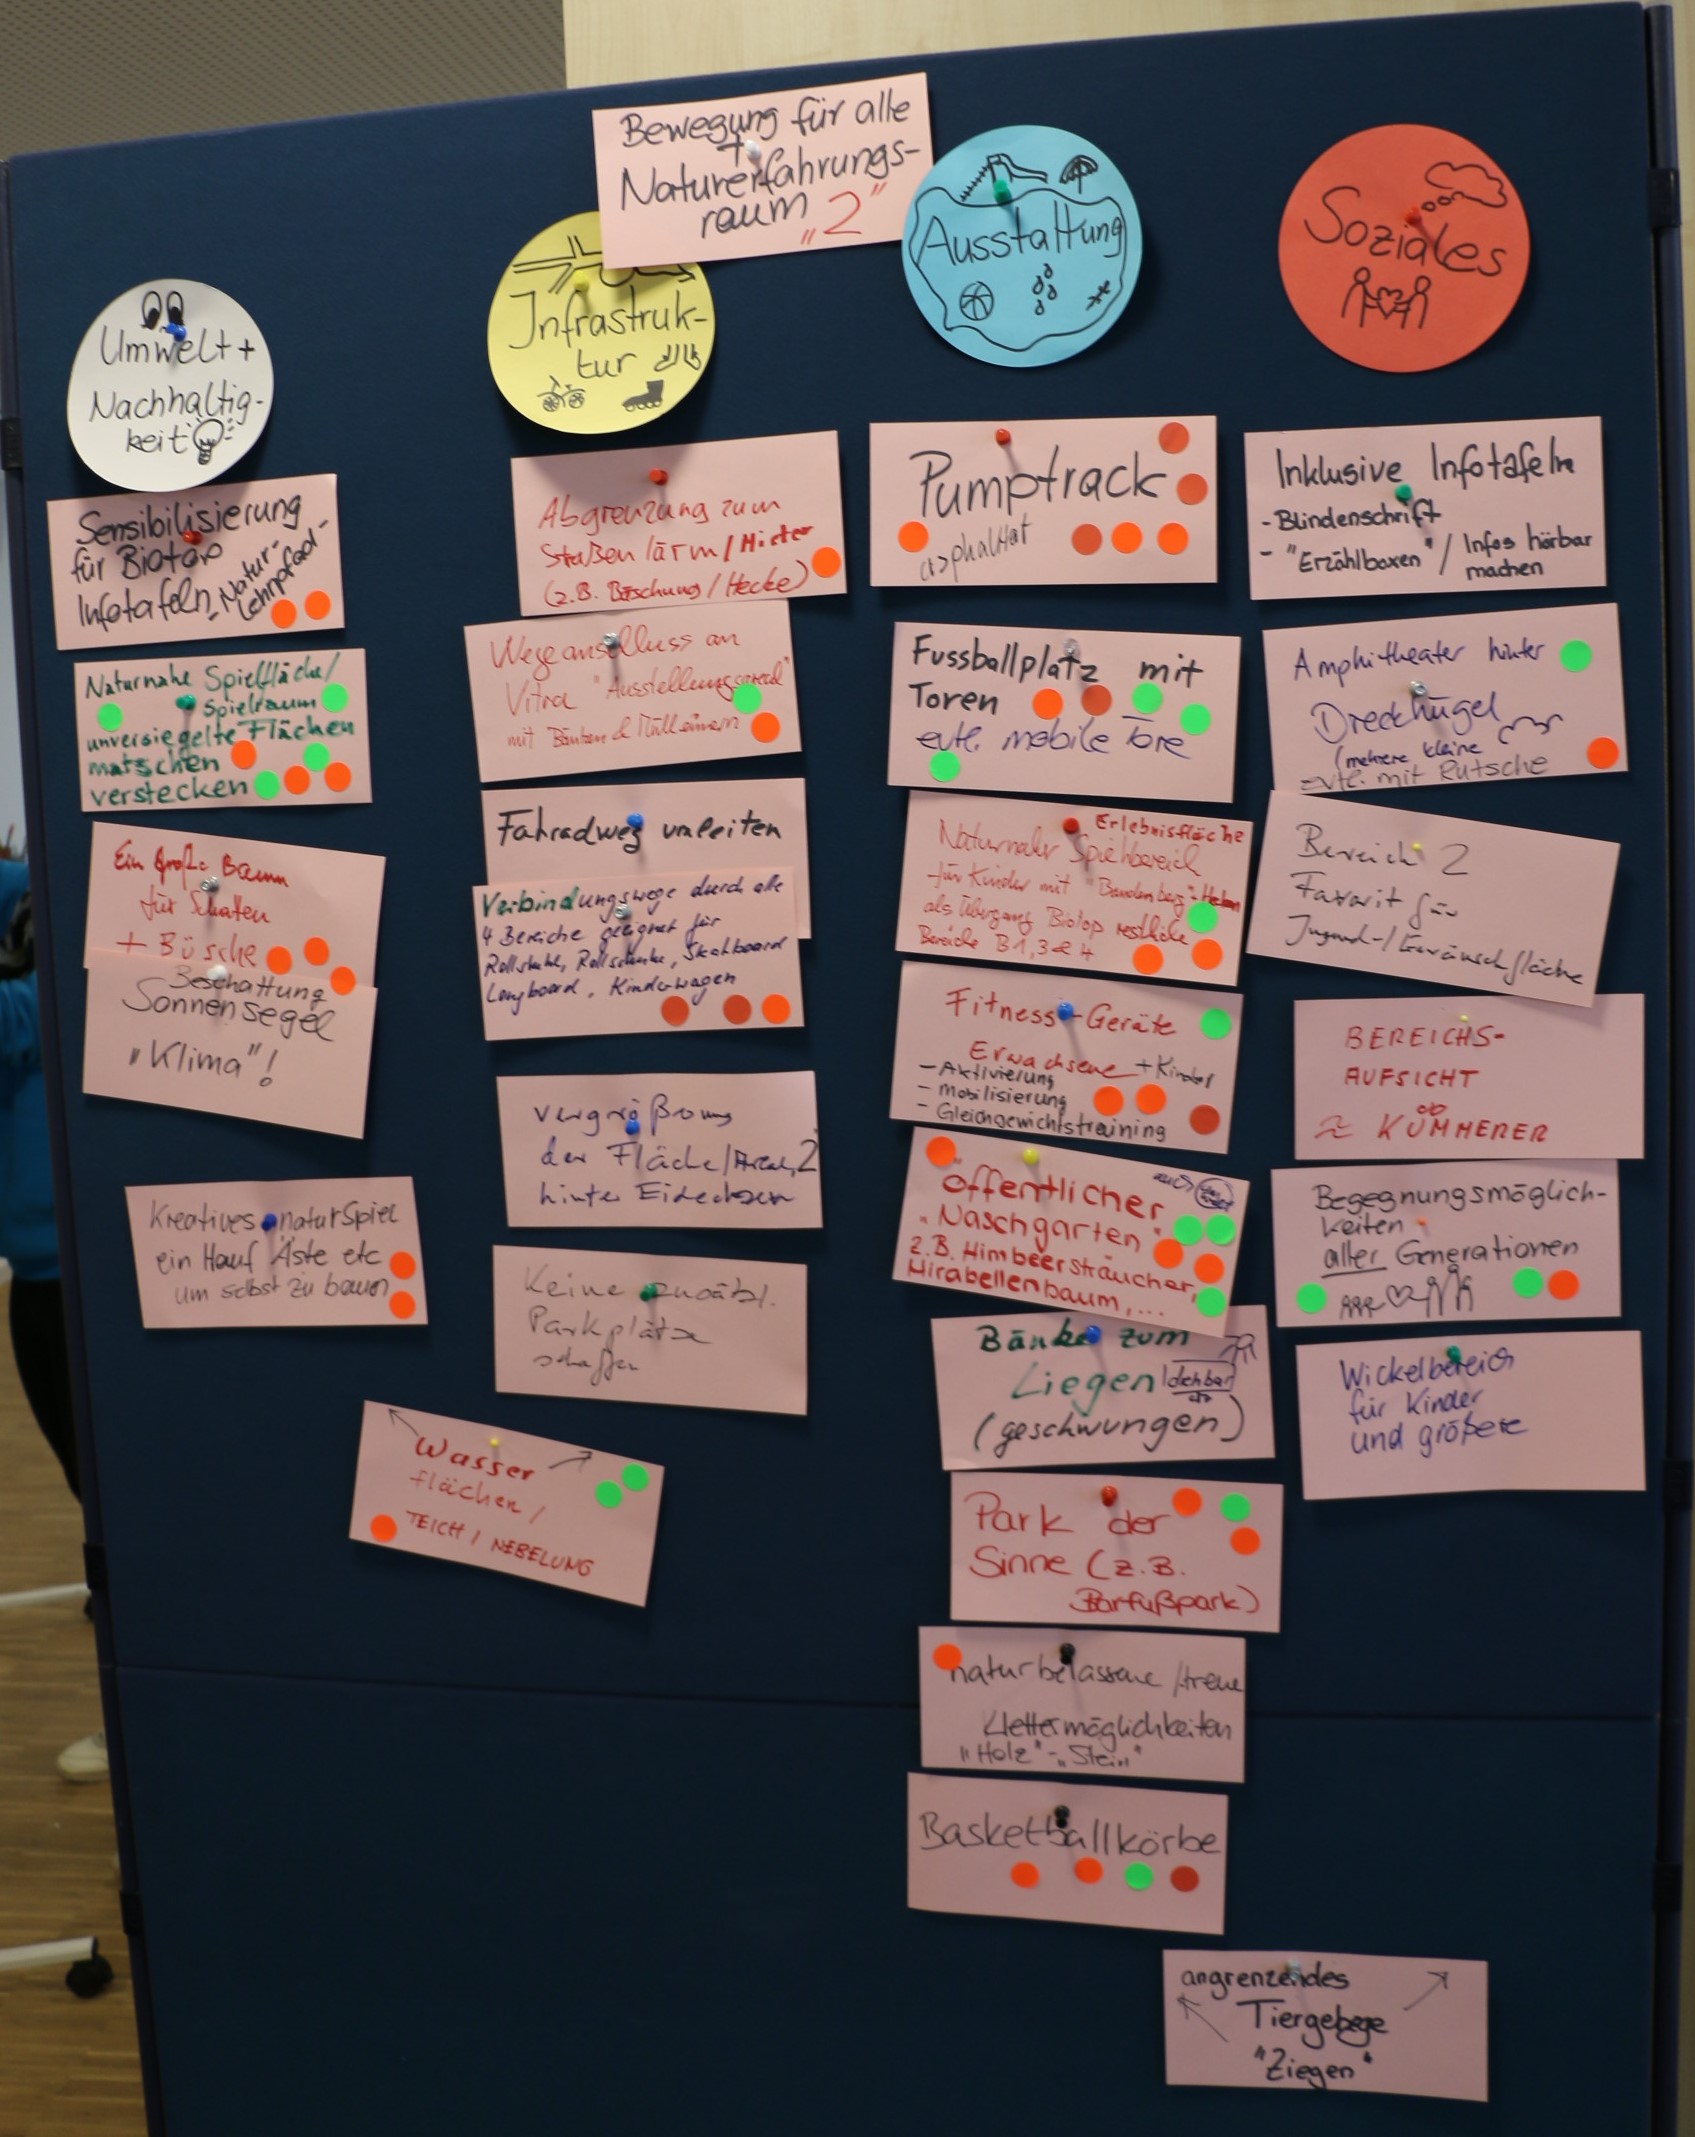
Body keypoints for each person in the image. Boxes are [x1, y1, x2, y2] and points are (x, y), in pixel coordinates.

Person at [0, 858, 104, 1782]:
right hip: (41, 1277)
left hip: (86, 1276)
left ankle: (141, 1700)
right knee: (95, 1488)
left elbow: (24, 1014)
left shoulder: (41, 914)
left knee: (123, 1498)